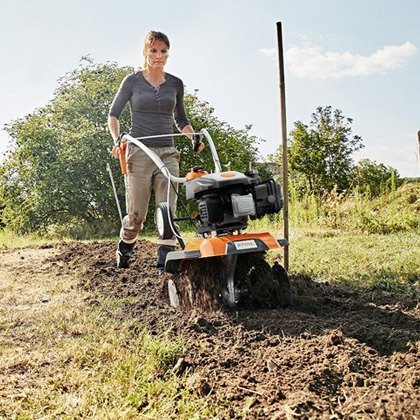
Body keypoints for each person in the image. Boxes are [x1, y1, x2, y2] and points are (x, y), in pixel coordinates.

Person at [108, 30, 204, 273]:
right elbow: (113, 115)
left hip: (168, 153)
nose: (158, 55)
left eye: (163, 51)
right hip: (139, 152)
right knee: (136, 216)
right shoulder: (132, 81)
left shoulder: (175, 83)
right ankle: (126, 246)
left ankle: (164, 262)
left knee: (167, 210)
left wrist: (193, 137)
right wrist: (117, 138)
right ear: (145, 52)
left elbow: (181, 119)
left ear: (168, 53)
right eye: (153, 50)